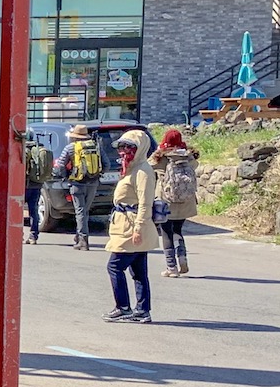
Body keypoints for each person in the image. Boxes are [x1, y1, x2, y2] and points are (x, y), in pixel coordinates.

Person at [105, 129, 158, 322]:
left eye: (129, 147)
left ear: (140, 148)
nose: (123, 151)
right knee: (138, 271)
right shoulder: (132, 167)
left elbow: (146, 202)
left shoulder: (143, 171)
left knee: (114, 267)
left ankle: (123, 307)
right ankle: (142, 310)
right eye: (121, 147)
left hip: (132, 225)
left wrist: (139, 228)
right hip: (124, 223)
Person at [150, 127, 199, 276]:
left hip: (166, 201)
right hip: (185, 200)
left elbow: (148, 165)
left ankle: (171, 267)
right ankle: (182, 258)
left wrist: (159, 151)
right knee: (178, 230)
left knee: (166, 233)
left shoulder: (161, 159)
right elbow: (195, 166)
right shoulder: (189, 158)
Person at [51, 124, 99, 250]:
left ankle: (83, 240)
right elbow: (106, 164)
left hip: (77, 184)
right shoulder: (96, 147)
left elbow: (61, 165)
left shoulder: (70, 148)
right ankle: (79, 237)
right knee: (85, 211)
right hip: (93, 183)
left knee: (80, 211)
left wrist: (66, 177)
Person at [23, 136, 52, 243]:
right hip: (37, 184)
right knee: (33, 210)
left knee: (17, 210)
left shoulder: (23, 149)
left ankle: (18, 234)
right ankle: (33, 236)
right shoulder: (39, 149)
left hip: (24, 185)